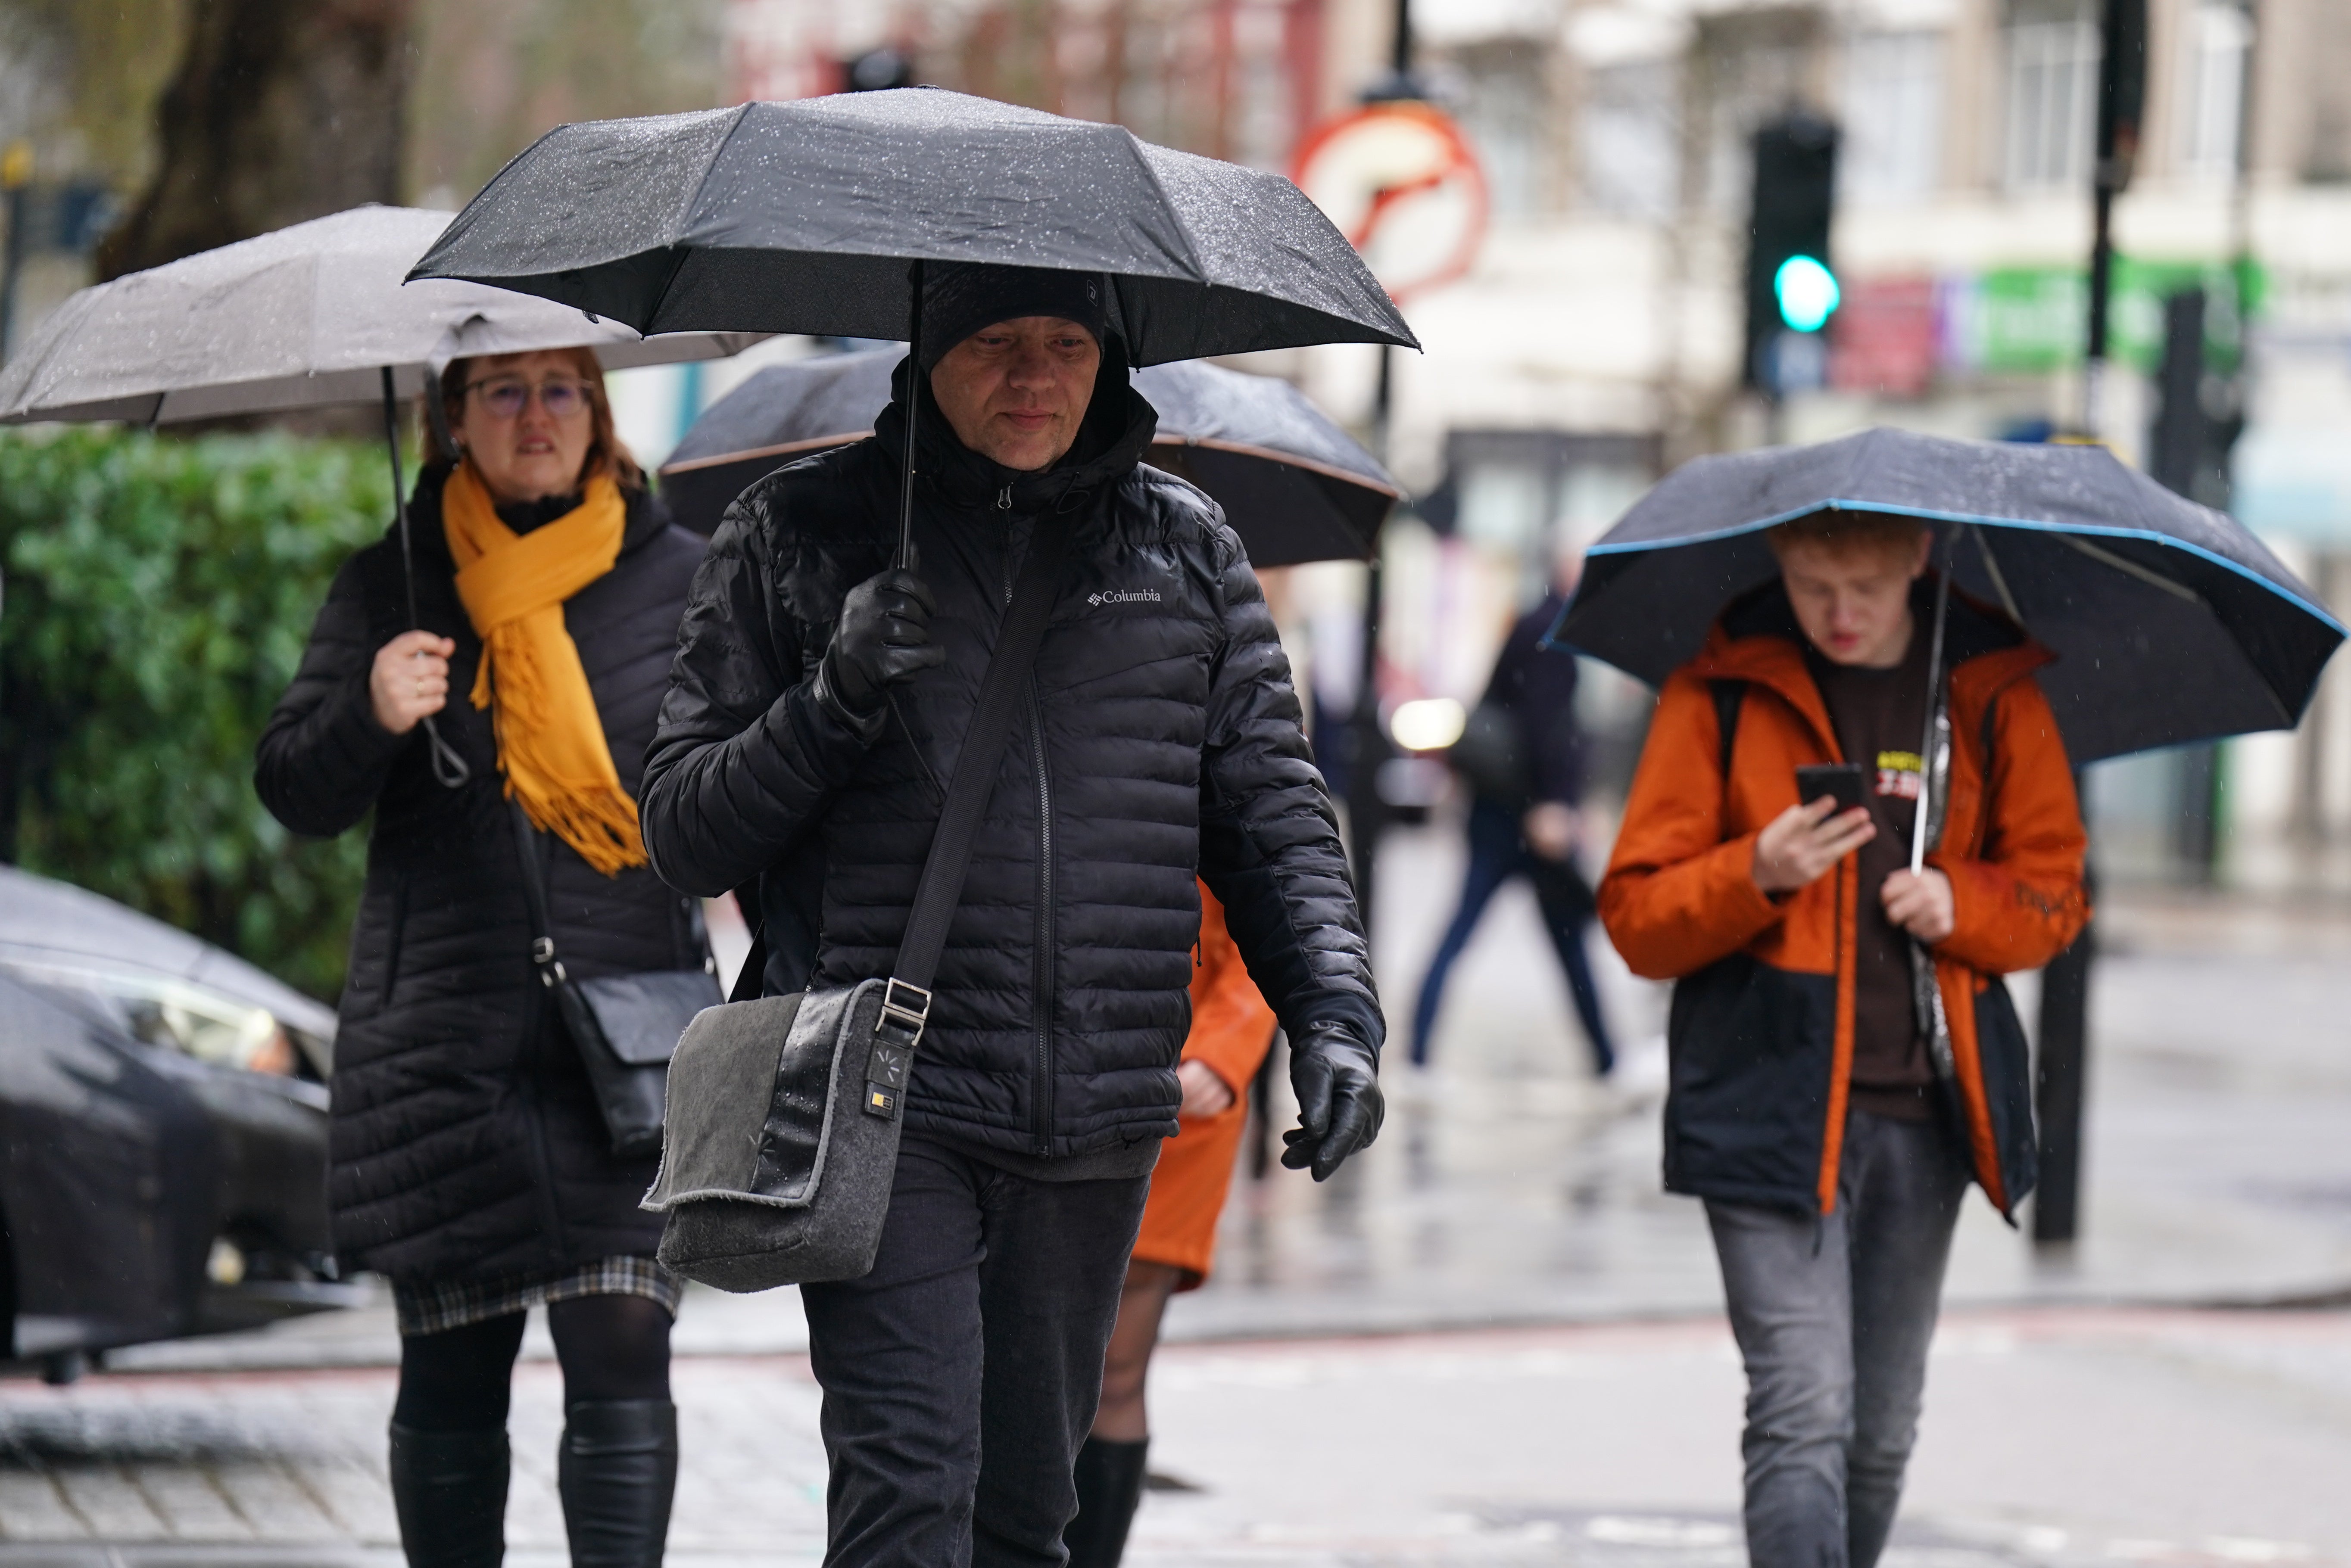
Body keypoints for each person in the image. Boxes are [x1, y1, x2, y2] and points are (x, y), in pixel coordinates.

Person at [637, 262, 1384, 1568]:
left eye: (1064, 343)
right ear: (926, 347)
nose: (1033, 377)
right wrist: (834, 694)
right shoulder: (798, 533)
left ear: (1111, 357)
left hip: (1094, 1108)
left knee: (1025, 1520)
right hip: (886, 1101)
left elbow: (1273, 814)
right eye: (995, 343)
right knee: (908, 1493)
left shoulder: (1188, 549)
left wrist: (1333, 1012)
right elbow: (686, 827)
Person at [256, 347, 708, 1568]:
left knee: (624, 1345)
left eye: (562, 387)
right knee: (454, 1368)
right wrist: (370, 710)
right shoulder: (391, 584)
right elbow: (294, 790)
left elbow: (734, 801)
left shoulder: (680, 579)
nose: (536, 416)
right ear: (449, 419)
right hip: (442, 1047)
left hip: (624, 1045)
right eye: (501, 391)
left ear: (599, 411)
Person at [1596, 510, 2087, 1568]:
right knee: (1801, 1404)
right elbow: (1637, 917)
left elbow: (2054, 894)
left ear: (1920, 560)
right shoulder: (1719, 689)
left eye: (1865, 585)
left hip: (1927, 1118)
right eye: (1816, 584)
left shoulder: (1990, 688)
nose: (1840, 613)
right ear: (1780, 560)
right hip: (1763, 1098)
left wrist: (1964, 902)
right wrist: (1755, 872)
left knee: (1877, 1429)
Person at [1063, 880, 1279, 1568]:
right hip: (1030, 1080)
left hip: (1182, 1100)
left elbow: (1278, 901)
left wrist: (1224, 1049)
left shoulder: (1222, 772)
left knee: (1115, 1373)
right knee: (1011, 1368)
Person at [1410, 588, 1616, 1076]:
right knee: (1563, 940)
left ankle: (1417, 1053)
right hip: (1524, 819)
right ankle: (1608, 1061)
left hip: (1501, 812)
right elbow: (1546, 727)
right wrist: (1556, 803)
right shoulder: (1550, 631)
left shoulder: (1532, 623)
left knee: (1471, 933)